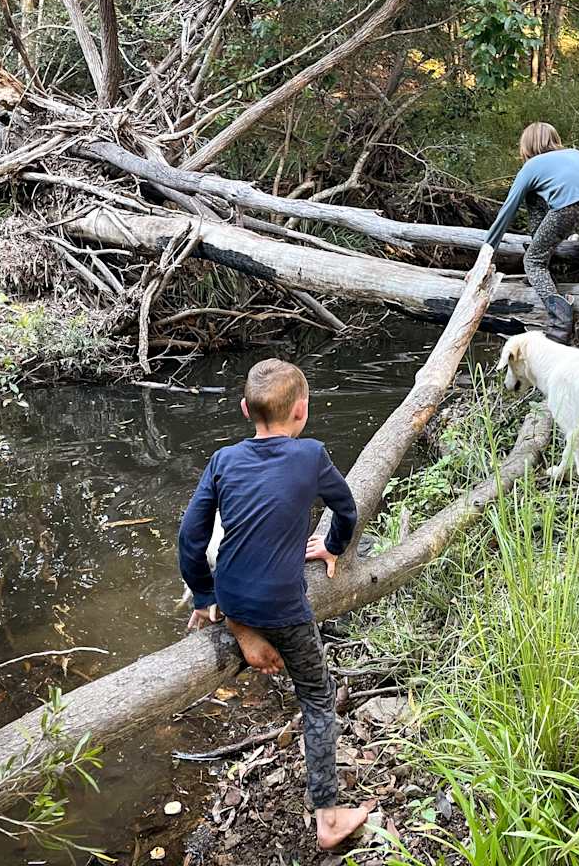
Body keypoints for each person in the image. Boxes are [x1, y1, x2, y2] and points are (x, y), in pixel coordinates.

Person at [178, 359, 368, 850]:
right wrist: (332, 545)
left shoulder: (222, 461)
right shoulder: (311, 455)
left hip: (231, 594)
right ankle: (328, 816)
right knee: (319, 698)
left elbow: (190, 537)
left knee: (249, 596)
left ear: (246, 410)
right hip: (284, 604)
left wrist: (204, 595)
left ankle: (244, 632)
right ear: (302, 410)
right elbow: (345, 507)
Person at [483, 122, 579, 343]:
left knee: (532, 261)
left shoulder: (532, 165)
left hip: (566, 207)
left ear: (526, 147)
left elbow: (508, 210)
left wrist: (485, 256)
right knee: (534, 196)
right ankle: (547, 258)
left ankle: (560, 324)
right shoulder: (574, 155)